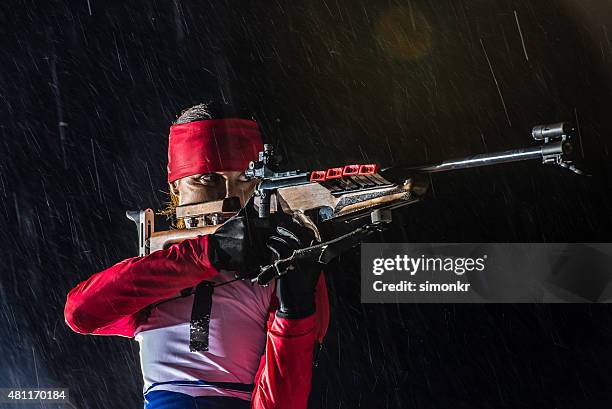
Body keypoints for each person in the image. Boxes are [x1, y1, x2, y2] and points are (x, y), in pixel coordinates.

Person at [64, 103, 330, 409]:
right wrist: (207, 253)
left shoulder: (284, 261)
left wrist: (294, 312)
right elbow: (80, 313)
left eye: (246, 179)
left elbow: (281, 403)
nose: (232, 197)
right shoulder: (159, 261)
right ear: (176, 188)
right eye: (207, 180)